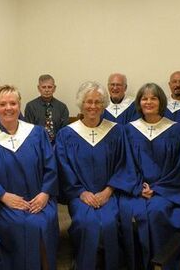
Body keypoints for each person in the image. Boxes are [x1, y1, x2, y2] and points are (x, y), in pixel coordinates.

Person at [55, 81, 141, 270]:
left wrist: (108, 191)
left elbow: (124, 164)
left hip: (109, 192)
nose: (93, 106)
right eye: (88, 102)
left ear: (103, 105)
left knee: (109, 222)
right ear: (81, 104)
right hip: (80, 195)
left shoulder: (116, 131)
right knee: (85, 221)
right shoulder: (66, 135)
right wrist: (81, 193)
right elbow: (63, 168)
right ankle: (84, 262)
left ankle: (110, 264)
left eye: (97, 102)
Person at [0, 85, 59, 270]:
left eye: (13, 103)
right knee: (20, 224)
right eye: (2, 104)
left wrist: (45, 194)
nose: (8, 108)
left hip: (39, 198)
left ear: (19, 106)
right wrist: (3, 196)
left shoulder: (37, 133)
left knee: (44, 221)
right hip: (1, 202)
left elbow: (50, 166)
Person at [119, 83, 180, 270]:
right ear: (139, 102)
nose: (148, 102)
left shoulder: (177, 131)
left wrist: (157, 189)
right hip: (136, 189)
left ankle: (162, 263)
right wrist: (138, 186)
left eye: (153, 98)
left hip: (166, 190)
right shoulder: (129, 130)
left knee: (158, 211)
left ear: (161, 101)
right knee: (130, 213)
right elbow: (125, 163)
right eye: (144, 98)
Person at [24, 74, 69, 144]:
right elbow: (28, 130)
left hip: (57, 145)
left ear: (54, 88)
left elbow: (64, 131)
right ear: (39, 88)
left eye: (50, 87)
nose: (47, 90)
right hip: (37, 144)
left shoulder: (62, 107)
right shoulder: (31, 106)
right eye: (44, 87)